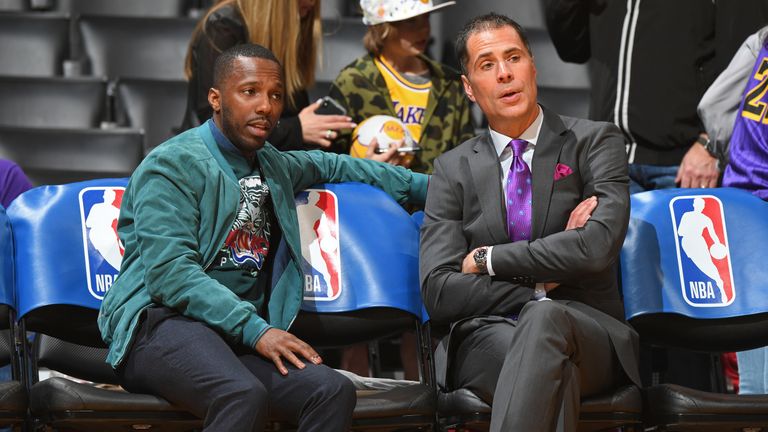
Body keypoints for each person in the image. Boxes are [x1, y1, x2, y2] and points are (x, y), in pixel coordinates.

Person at [98, 43, 428, 431]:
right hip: (159, 325)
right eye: (250, 92)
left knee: (330, 390)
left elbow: (342, 166)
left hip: (234, 333)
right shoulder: (171, 165)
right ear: (216, 99)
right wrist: (258, 331)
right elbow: (172, 275)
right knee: (239, 393)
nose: (267, 107)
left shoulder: (273, 163)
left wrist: (447, 189)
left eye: (275, 95)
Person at [419, 14, 641, 431]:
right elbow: (440, 291)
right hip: (488, 338)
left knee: (546, 324)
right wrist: (543, 279)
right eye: (487, 65)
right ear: (469, 87)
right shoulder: (451, 169)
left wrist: (488, 259)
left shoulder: (594, 142)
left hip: (588, 330)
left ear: (532, 66)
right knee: (551, 362)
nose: (504, 73)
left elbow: (596, 248)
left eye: (514, 57)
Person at [182, 0, 356, 151]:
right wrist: (297, 129)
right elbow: (216, 120)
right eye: (250, 91)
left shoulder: (286, 39)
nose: (311, 3)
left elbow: (294, 113)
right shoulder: (222, 29)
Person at [698, 25, 768, 394]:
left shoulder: (763, 37)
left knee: (754, 377)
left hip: (738, 206)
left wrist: (734, 157)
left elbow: (711, 105)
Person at [328, 0, 475, 173]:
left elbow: (468, 155)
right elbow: (329, 159)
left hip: (437, 197)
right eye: (411, 21)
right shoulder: (354, 81)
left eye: (426, 17)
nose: (425, 29)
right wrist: (362, 168)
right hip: (373, 196)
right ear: (383, 27)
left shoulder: (448, 82)